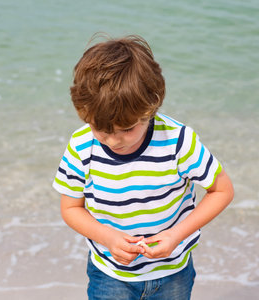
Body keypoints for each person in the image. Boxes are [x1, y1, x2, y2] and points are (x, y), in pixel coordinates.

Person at [52, 34, 234, 300]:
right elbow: (70, 208)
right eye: (101, 129)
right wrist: (107, 237)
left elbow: (222, 190)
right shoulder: (81, 146)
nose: (114, 140)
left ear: (151, 107)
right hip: (110, 274)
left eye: (126, 128)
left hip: (173, 271)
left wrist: (175, 235)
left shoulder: (177, 141)